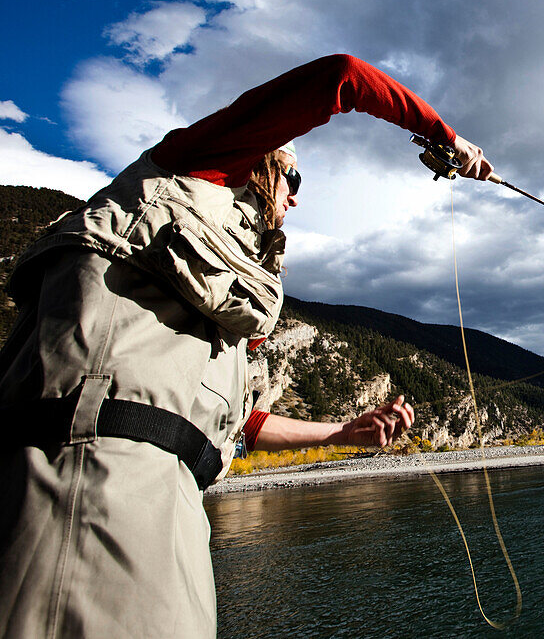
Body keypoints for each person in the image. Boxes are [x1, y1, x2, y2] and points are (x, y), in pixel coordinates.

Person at [0, 54, 494, 638]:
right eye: (294, 180)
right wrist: (447, 139)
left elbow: (241, 424)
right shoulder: (195, 167)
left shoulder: (227, 307)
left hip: (175, 507)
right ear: (259, 164)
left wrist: (341, 434)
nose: (296, 201)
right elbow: (345, 76)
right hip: (85, 482)